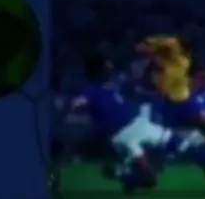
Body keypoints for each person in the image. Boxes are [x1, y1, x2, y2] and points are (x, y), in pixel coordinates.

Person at [69, 54, 176, 192]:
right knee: (150, 180)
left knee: (172, 142)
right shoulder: (93, 90)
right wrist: (78, 104)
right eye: (107, 67)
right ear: (98, 71)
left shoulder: (113, 85)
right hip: (122, 135)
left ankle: (124, 173)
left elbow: (135, 88)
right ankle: (124, 176)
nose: (110, 69)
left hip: (138, 124)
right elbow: (78, 103)